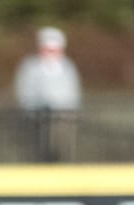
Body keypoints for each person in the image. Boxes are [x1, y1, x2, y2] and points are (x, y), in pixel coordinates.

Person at [13, 26, 82, 163]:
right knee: (39, 151)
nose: (51, 53)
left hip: (63, 119)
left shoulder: (68, 67)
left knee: (62, 150)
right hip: (37, 119)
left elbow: (74, 92)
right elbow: (24, 91)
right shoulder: (30, 67)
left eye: (55, 49)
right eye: (48, 49)